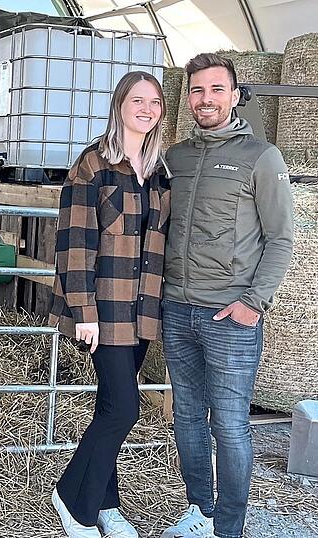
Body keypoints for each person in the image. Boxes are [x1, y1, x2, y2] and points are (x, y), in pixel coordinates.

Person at [160, 53, 294, 538]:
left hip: (230, 315)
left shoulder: (261, 157)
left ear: (235, 95)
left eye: (217, 89)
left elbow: (282, 238)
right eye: (197, 90)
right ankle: (200, 510)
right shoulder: (175, 157)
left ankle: (229, 528)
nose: (206, 99)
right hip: (176, 308)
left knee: (231, 425)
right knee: (188, 416)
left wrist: (253, 303)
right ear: (188, 97)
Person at [47, 70, 170, 538]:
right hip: (103, 310)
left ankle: (107, 503)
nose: (147, 108)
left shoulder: (160, 171)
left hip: (142, 311)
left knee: (108, 405)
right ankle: (73, 501)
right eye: (137, 100)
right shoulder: (93, 165)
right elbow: (74, 242)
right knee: (125, 408)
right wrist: (84, 311)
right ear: (119, 105)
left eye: (155, 102)